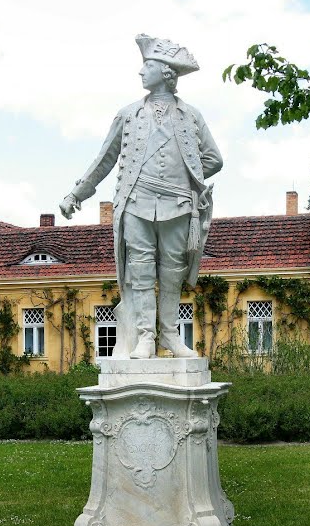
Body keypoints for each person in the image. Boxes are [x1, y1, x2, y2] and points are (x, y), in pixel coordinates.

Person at [60, 34, 223, 359]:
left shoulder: (190, 115)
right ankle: (146, 338)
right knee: (141, 270)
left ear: (165, 73)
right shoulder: (128, 115)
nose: (140, 73)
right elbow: (105, 158)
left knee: (172, 272)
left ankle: (170, 337)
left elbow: (214, 158)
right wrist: (77, 193)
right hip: (135, 203)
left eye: (147, 66)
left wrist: (187, 177)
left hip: (178, 204)